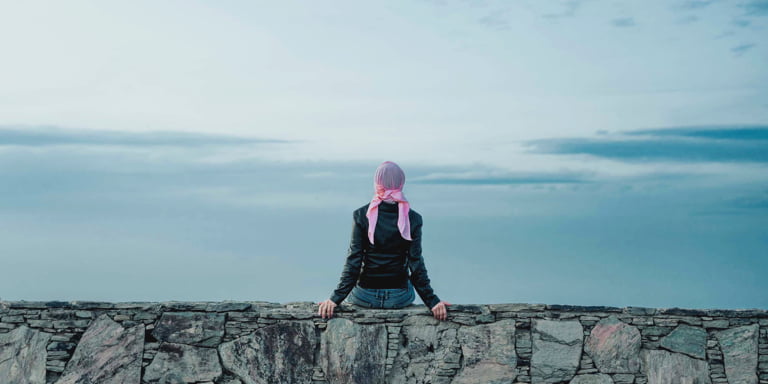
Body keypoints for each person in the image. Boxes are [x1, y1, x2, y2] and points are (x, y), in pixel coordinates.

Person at [317, 161, 450, 321]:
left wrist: (334, 299)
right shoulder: (413, 218)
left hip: (365, 296)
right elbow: (415, 265)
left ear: (376, 183)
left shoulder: (361, 215)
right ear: (401, 183)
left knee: (357, 285)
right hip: (398, 297)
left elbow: (354, 262)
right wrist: (432, 301)